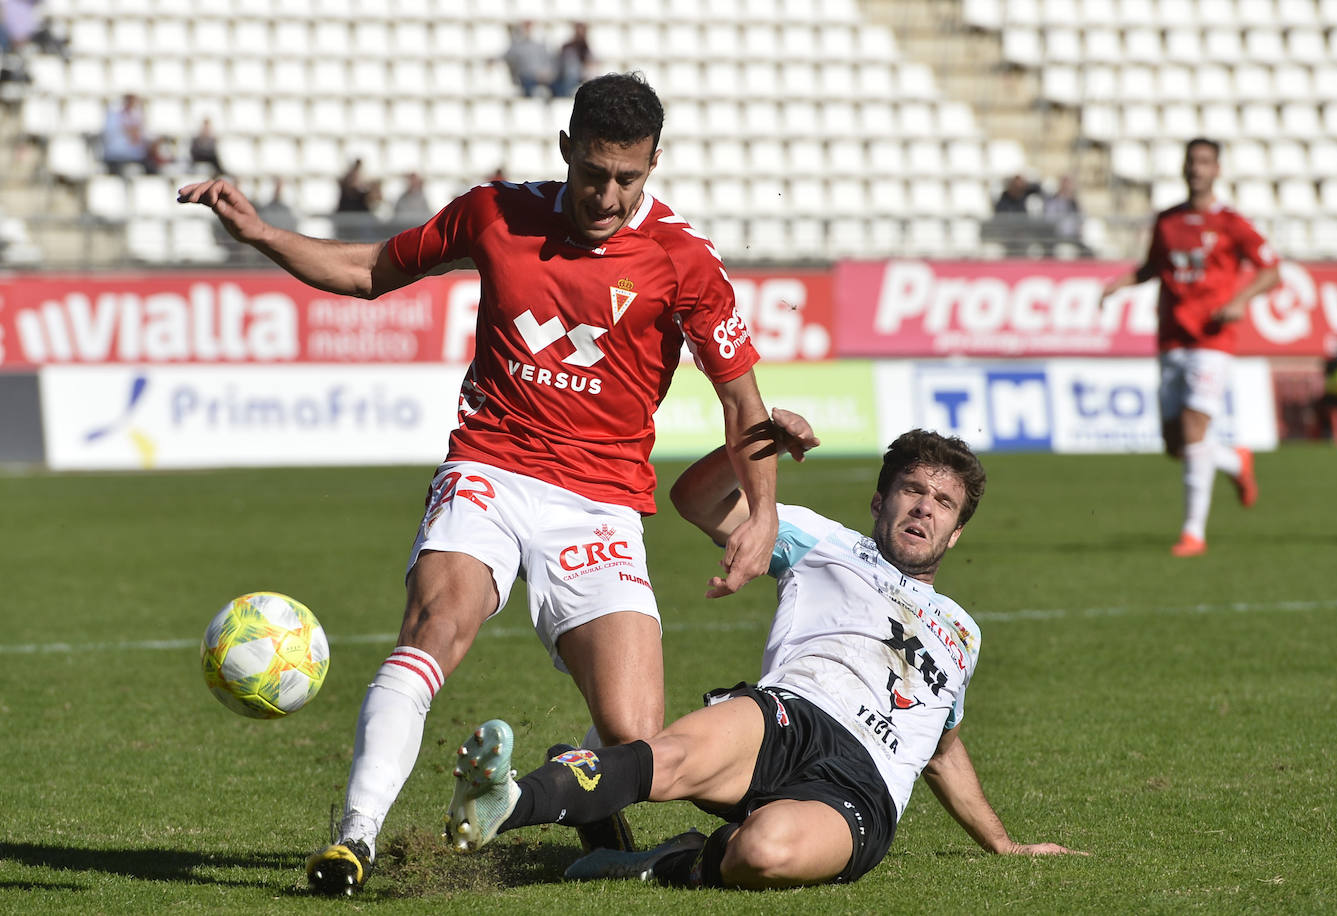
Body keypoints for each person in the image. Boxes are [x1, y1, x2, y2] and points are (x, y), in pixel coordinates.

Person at [177, 72, 778, 896]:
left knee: (636, 743)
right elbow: (367, 271)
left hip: (600, 503)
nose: (606, 195)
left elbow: (743, 400)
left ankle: (574, 785)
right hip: (490, 467)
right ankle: (356, 837)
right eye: (593, 171)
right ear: (566, 149)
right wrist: (260, 235)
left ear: (653, 166)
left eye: (627, 178)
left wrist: (764, 515)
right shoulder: (494, 214)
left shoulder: (683, 260)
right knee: (436, 626)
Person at [443, 410, 1085, 889]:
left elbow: (941, 748)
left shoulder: (963, 633)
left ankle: (672, 859)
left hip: (862, 785)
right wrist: (758, 444)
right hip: (787, 714)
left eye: (944, 503)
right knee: (664, 757)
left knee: (764, 853)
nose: (925, 509)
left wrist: (1003, 844)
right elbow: (694, 501)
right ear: (880, 499)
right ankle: (505, 802)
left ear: (957, 529)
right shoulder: (820, 540)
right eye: (912, 490)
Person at [1099, 137, 1280, 557]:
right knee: (1174, 444)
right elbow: (1151, 268)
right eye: (1191, 162)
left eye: (1204, 162)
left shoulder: (1233, 223)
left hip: (1212, 340)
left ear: (1217, 169)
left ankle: (1193, 533)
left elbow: (1271, 269)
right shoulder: (1168, 221)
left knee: (1195, 429)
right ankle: (1236, 461)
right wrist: (1119, 283)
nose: (1196, 169)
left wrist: (1239, 302)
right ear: (1183, 169)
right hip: (1172, 337)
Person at [100, 93, 151, 175]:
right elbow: (111, 134)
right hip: (116, 155)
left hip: (136, 156)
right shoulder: (113, 116)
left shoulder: (139, 116)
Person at [503, 20, 554, 97]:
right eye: (526, 27)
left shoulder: (541, 45)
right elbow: (509, 59)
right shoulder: (517, 46)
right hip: (526, 78)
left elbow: (548, 62)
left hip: (542, 78)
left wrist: (545, 73)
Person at [553, 22, 596, 98]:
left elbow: (590, 62)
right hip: (566, 76)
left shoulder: (585, 47)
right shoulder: (568, 47)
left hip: (579, 76)